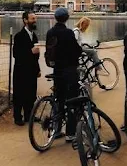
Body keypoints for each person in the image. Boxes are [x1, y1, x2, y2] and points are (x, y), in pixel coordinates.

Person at [46, 7, 82, 142]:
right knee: (72, 100)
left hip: (57, 69)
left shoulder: (50, 32)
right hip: (69, 69)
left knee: (58, 98)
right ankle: (70, 133)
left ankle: (57, 129)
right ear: (66, 18)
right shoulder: (68, 33)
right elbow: (75, 49)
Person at [13, 11, 41, 126]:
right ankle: (18, 117)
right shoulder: (19, 36)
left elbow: (36, 56)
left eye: (35, 18)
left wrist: (38, 69)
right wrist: (30, 52)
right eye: (32, 18)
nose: (35, 21)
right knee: (19, 94)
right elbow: (16, 54)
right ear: (25, 20)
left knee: (31, 93)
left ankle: (29, 116)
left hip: (31, 70)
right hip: (21, 70)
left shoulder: (34, 35)